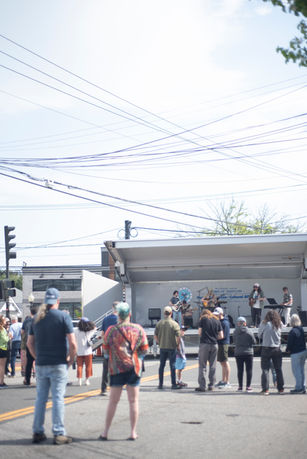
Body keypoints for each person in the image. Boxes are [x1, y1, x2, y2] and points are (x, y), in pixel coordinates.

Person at [27, 288, 77, 445]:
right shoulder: (63, 317)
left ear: (45, 302)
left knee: (41, 399)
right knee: (57, 398)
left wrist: (37, 357)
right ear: (58, 301)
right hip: (58, 363)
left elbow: (29, 343)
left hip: (41, 364)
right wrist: (70, 360)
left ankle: (38, 431)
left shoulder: (36, 318)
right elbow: (73, 344)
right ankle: (58, 433)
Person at [100, 302, 148, 441]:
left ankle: (105, 432)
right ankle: (133, 432)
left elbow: (105, 349)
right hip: (133, 368)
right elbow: (144, 349)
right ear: (129, 315)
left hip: (116, 369)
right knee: (133, 401)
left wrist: (114, 356)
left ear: (118, 315)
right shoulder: (138, 329)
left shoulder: (111, 330)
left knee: (113, 402)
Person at [195, 308, 223, 392]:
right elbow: (221, 336)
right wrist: (214, 338)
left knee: (202, 365)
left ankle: (202, 386)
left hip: (205, 344)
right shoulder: (217, 320)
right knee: (213, 366)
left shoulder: (203, 319)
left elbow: (199, 332)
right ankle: (211, 385)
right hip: (214, 345)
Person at [154, 306, 181, 390]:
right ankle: (173, 384)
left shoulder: (159, 323)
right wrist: (178, 346)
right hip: (172, 347)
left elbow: (155, 335)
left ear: (164, 313)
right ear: (171, 313)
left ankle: (160, 384)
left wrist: (159, 342)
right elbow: (178, 336)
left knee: (162, 365)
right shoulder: (174, 324)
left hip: (162, 347)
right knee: (172, 366)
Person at [258, 309, 284, 395]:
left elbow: (259, 335)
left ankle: (265, 389)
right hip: (277, 348)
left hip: (266, 348)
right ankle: (280, 389)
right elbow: (283, 330)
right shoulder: (279, 323)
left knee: (265, 369)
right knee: (278, 369)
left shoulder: (264, 323)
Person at [233, 316, 256, 392]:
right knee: (249, 370)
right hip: (249, 352)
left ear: (238, 323)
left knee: (240, 370)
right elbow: (254, 342)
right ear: (245, 323)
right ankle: (248, 386)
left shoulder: (235, 332)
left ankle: (240, 386)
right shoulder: (249, 331)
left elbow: (234, 341)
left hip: (238, 352)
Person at [100, 301, 118, 395]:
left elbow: (102, 334)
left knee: (105, 368)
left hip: (107, 347)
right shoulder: (120, 319)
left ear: (112, 307)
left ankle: (103, 388)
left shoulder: (106, 319)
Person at [286, 314, 307, 394]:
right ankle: (303, 386)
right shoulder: (301, 329)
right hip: (303, 351)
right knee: (301, 370)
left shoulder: (292, 331)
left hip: (296, 353)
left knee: (296, 371)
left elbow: (290, 343)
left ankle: (298, 387)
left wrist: (288, 349)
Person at [74, 317, 96, 386]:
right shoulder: (89, 331)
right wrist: (89, 322)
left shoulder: (75, 330)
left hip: (79, 351)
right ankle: (87, 380)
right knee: (88, 366)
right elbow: (95, 327)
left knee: (79, 366)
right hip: (88, 351)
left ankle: (79, 380)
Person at [214, 307, 231, 389]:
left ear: (221, 314)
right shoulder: (220, 322)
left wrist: (213, 337)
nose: (215, 316)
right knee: (222, 363)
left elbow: (222, 336)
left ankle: (227, 381)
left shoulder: (224, 323)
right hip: (220, 344)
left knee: (225, 362)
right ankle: (223, 380)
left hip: (223, 344)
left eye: (217, 315)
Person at [22, 305, 38, 386]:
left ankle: (27, 380)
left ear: (30, 312)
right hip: (37, 343)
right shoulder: (38, 320)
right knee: (38, 362)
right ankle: (39, 379)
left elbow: (22, 331)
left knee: (29, 362)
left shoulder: (26, 321)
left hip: (29, 343)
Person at [0, 315, 11, 388]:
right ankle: (1, 382)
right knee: (2, 367)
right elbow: (5, 339)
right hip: (3, 348)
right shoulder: (2, 329)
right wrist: (9, 336)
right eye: (4, 320)